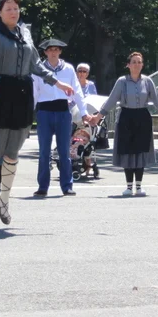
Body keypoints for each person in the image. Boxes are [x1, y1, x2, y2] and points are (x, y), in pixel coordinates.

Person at [0, 0, 73, 225]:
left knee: (12, 153)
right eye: (9, 9)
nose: (14, 12)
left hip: (21, 94)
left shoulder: (25, 33)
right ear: (0, 12)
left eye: (16, 8)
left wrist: (58, 83)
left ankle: (4, 200)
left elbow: (35, 65)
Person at [89, 51, 158, 197]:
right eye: (134, 62)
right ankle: (128, 186)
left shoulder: (147, 81)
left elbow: (157, 99)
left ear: (142, 65)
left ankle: (139, 186)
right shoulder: (122, 81)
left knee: (140, 151)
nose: (137, 64)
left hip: (142, 117)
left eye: (139, 62)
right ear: (128, 65)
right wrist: (98, 116)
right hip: (126, 117)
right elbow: (111, 100)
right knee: (127, 151)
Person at [33, 38, 89, 198]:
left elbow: (77, 91)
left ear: (60, 52)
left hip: (63, 111)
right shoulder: (38, 69)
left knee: (64, 151)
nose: (53, 52)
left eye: (56, 49)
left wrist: (84, 112)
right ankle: (43, 186)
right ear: (45, 52)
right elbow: (34, 91)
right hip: (44, 111)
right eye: (50, 50)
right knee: (44, 151)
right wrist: (28, 112)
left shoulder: (68, 69)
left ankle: (67, 186)